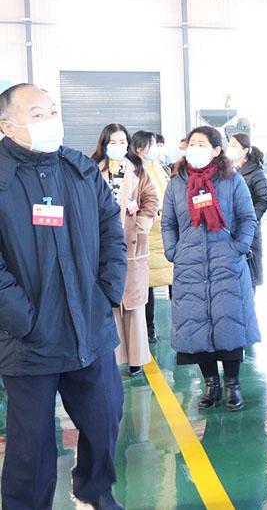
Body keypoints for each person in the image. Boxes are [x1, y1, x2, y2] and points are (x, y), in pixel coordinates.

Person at [0, 83, 127, 509]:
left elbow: (112, 231)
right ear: (7, 126)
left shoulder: (80, 169)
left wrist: (106, 291)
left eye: (52, 111)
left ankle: (94, 492)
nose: (50, 121)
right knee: (31, 447)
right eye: (37, 115)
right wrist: (24, 319)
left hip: (88, 325)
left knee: (104, 420)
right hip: (28, 340)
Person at [161, 126, 259, 412]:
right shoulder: (177, 183)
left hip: (226, 262)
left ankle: (232, 384)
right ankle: (210, 384)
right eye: (192, 143)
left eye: (202, 144)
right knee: (196, 326)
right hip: (189, 264)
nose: (195, 148)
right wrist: (173, 251)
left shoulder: (232, 180)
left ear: (217, 150)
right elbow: (168, 222)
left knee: (229, 322)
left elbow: (248, 217)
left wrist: (239, 247)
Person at [92, 124, 158, 377]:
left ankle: (136, 359)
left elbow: (151, 197)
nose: (118, 146)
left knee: (134, 303)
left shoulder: (138, 169)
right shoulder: (92, 169)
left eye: (122, 142)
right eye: (113, 142)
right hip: (103, 244)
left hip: (133, 243)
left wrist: (142, 222)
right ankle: (114, 357)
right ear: (104, 144)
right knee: (109, 302)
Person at [136, 131, 174, 344]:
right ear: (139, 149)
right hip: (148, 234)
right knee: (147, 283)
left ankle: (180, 325)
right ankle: (148, 328)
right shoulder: (135, 172)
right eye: (152, 145)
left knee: (174, 281)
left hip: (167, 232)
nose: (157, 149)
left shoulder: (162, 168)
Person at [228, 133, 267, 288]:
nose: (230, 148)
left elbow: (262, 200)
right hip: (227, 229)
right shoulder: (225, 171)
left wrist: (250, 221)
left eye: (234, 145)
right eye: (229, 145)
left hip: (248, 229)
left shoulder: (255, 172)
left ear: (246, 150)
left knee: (249, 272)